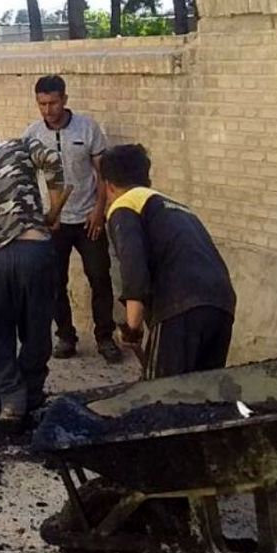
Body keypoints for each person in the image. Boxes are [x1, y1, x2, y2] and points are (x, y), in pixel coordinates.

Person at [0, 117, 68, 425]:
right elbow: (53, 159)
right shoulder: (21, 146)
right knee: (37, 328)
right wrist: (55, 208)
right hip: (36, 252)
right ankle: (32, 393)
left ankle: (11, 404)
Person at [100, 144, 236, 379]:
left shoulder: (125, 204)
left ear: (108, 186)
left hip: (179, 306)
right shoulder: (176, 207)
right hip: (221, 303)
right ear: (147, 179)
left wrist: (132, 327)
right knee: (205, 394)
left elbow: (133, 267)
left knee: (162, 396)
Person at [23, 75, 121, 363]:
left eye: (53, 102)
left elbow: (102, 173)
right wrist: (39, 216)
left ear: (65, 99)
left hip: (88, 218)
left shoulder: (87, 128)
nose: (48, 109)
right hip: (53, 222)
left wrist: (99, 210)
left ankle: (105, 337)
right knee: (54, 282)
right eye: (42, 104)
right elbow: (27, 178)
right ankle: (65, 336)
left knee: (100, 277)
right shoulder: (31, 135)